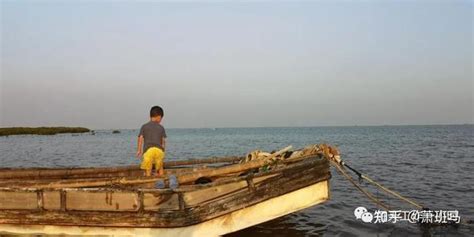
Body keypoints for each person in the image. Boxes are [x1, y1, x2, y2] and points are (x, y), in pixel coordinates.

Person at [136, 106, 167, 176]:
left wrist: (139, 150)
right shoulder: (161, 127)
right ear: (159, 117)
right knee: (160, 167)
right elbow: (163, 141)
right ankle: (161, 177)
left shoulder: (144, 126)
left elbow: (140, 138)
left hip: (148, 151)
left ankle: (148, 178)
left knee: (148, 168)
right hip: (159, 150)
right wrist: (163, 151)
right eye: (161, 118)